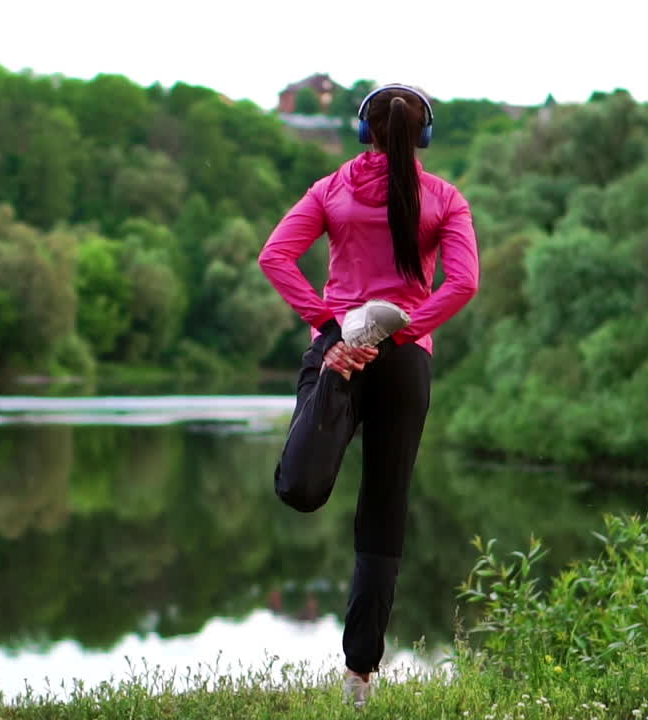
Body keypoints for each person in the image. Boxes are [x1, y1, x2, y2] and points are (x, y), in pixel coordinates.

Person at [256, 83, 480, 709]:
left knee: (300, 489)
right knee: (382, 515)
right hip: (407, 360)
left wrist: (332, 327)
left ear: (363, 131)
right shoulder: (446, 199)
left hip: (342, 351)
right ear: (425, 135)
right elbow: (463, 282)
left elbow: (276, 257)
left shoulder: (331, 189)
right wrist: (406, 327)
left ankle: (360, 675)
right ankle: (360, 675)